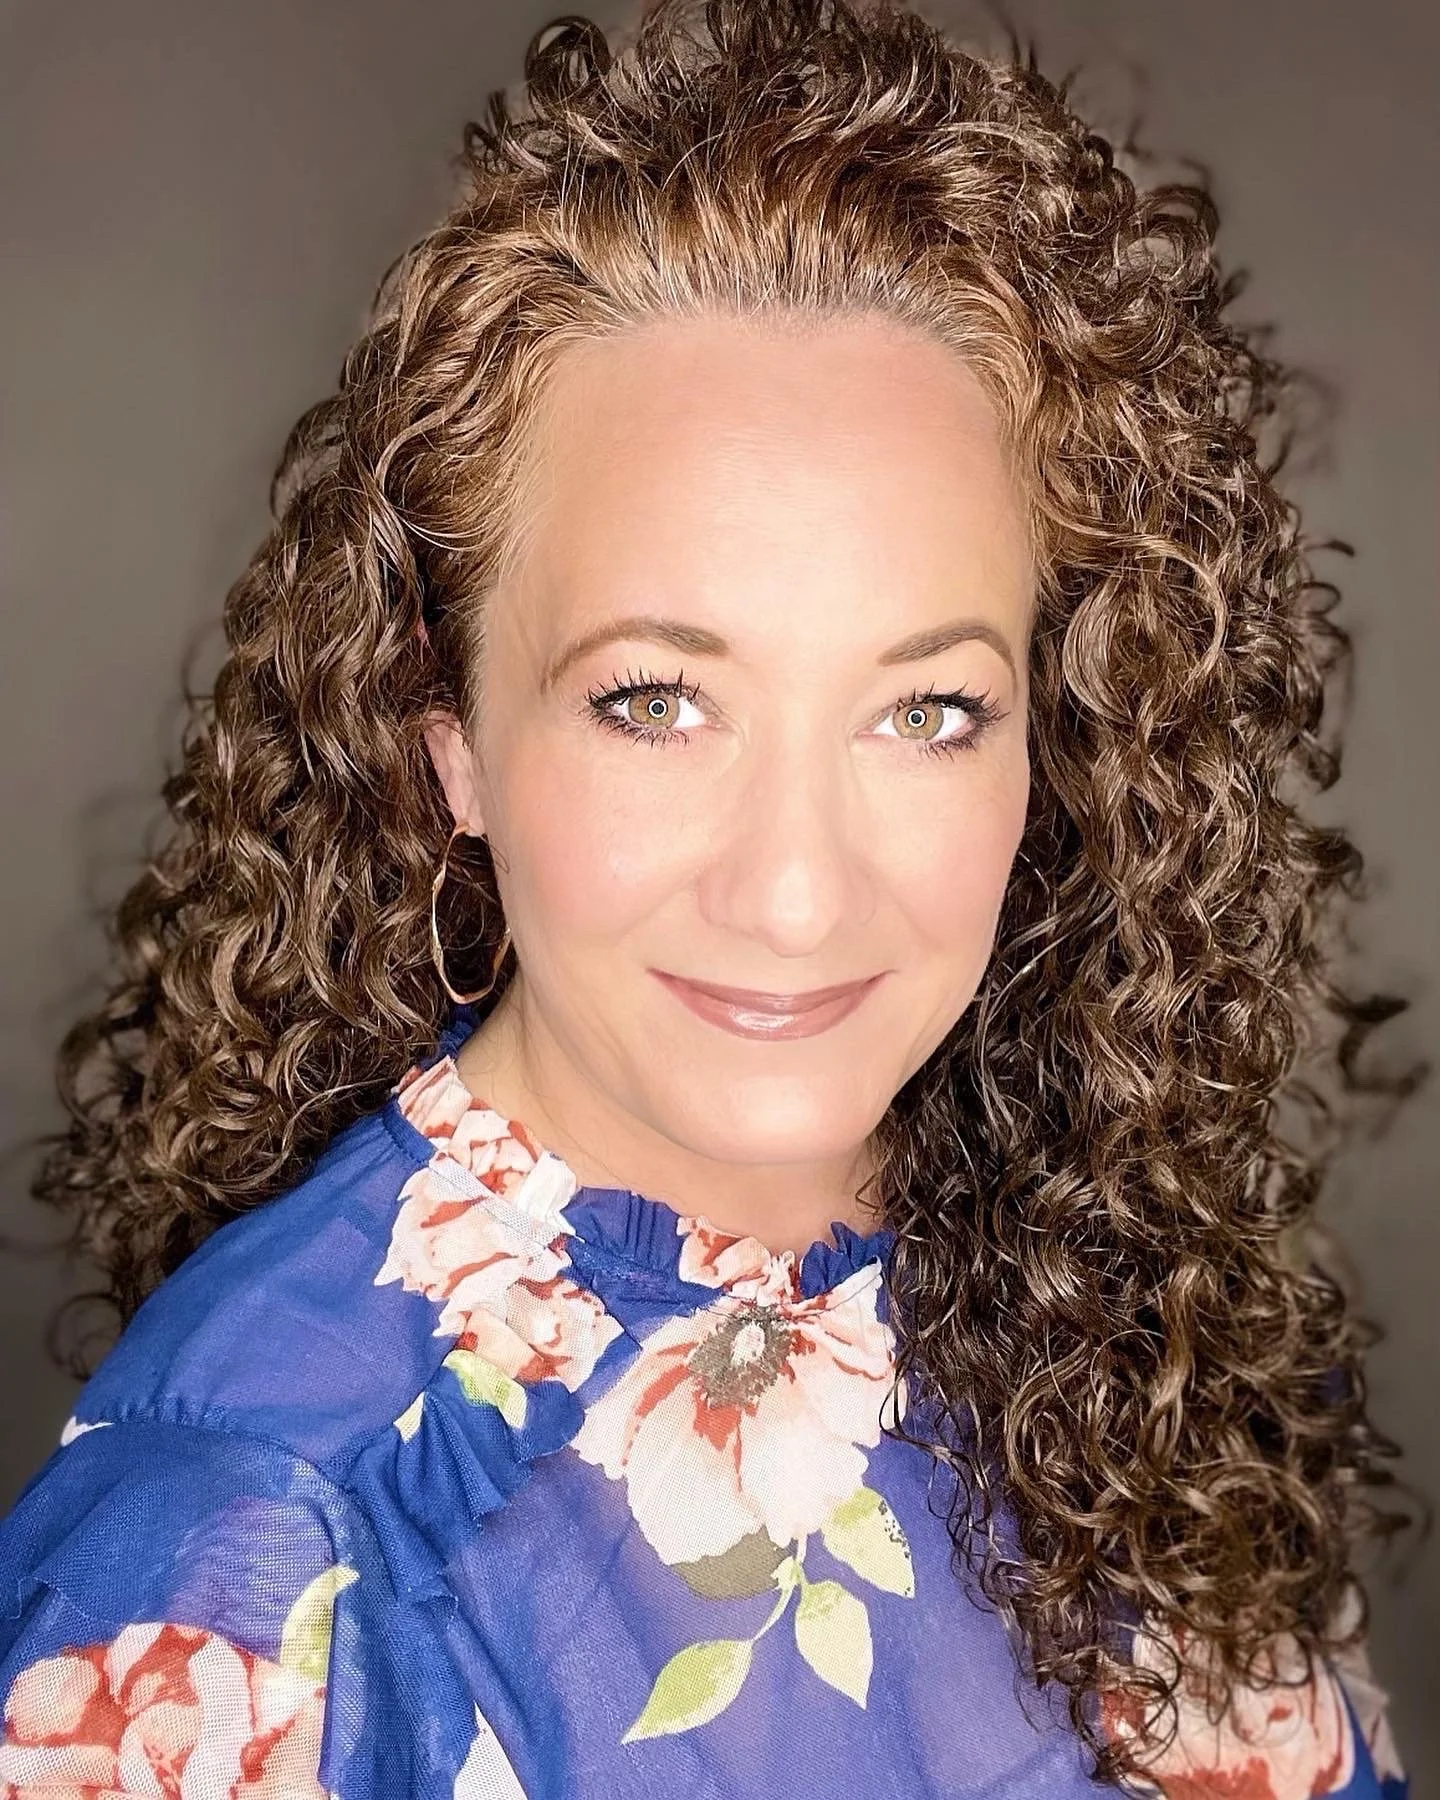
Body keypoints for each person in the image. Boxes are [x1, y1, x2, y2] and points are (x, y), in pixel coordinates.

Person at [0, 0, 1415, 1794]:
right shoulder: (240, 1573)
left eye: (929, 711)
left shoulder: (1122, 1312)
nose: (800, 889)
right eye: (656, 702)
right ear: (453, 742)